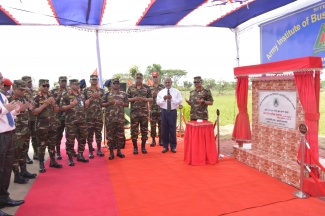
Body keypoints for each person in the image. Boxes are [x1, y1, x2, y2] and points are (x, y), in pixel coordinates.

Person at [0, 72, 25, 216]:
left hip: (8, 134)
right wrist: (5, 109)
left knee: (6, 169)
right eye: (0, 79)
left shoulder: (2, 96)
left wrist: (15, 111)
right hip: (1, 136)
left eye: (2, 78)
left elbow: (4, 115)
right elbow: (2, 111)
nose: (2, 81)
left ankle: (3, 198)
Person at [7, 80, 37, 183]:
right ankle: (17, 175)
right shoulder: (9, 100)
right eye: (21, 90)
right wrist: (18, 110)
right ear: (14, 89)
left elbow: (28, 113)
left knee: (24, 151)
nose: (23, 92)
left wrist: (30, 109)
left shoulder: (24, 98)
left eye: (24, 90)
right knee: (16, 153)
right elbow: (7, 116)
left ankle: (23, 171)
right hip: (17, 132)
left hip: (25, 130)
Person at [33, 79, 62, 173]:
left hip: (52, 125)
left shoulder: (51, 97)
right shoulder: (36, 98)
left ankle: (53, 161)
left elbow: (57, 110)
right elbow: (34, 112)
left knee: (52, 144)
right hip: (42, 126)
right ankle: (41, 163)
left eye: (47, 86)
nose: (46, 88)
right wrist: (45, 104)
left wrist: (53, 104)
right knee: (42, 145)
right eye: (44, 85)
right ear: (39, 86)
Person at [60, 79, 90, 166]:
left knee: (83, 138)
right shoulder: (66, 94)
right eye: (76, 84)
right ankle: (70, 157)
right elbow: (61, 108)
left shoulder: (81, 95)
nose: (78, 86)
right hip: (71, 121)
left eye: (78, 84)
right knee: (70, 140)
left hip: (82, 120)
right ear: (71, 85)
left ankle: (80, 154)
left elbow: (83, 107)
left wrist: (86, 105)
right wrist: (70, 105)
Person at [102, 78, 128, 160]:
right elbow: (102, 104)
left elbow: (127, 104)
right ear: (111, 85)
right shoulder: (106, 94)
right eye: (114, 83)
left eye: (117, 83)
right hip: (110, 119)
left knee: (120, 136)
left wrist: (122, 103)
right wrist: (109, 103)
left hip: (119, 119)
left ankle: (119, 151)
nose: (116, 84)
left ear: (119, 85)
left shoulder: (123, 94)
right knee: (110, 136)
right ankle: (111, 153)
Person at [127, 73, 153, 154]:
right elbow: (127, 99)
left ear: (142, 79)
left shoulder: (146, 88)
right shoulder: (131, 88)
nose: (138, 80)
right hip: (134, 114)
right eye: (137, 78)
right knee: (134, 131)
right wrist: (134, 99)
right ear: (135, 79)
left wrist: (144, 99)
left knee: (144, 131)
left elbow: (151, 98)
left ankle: (143, 147)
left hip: (144, 113)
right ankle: (135, 147)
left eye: (140, 78)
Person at [156, 77, 182, 153]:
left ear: (171, 82)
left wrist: (172, 99)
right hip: (164, 112)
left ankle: (173, 146)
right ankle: (165, 146)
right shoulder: (161, 92)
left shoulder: (176, 92)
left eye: (169, 82)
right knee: (164, 130)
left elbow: (179, 101)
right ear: (164, 83)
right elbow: (158, 102)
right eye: (166, 82)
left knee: (172, 129)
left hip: (172, 112)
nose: (167, 84)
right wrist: (163, 99)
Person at [83, 75, 105, 158]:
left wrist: (99, 98)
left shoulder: (101, 91)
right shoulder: (85, 91)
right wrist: (92, 98)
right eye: (93, 80)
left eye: (96, 80)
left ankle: (99, 150)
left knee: (99, 133)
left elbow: (103, 103)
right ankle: (90, 151)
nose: (94, 81)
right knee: (89, 134)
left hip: (99, 115)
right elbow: (83, 103)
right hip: (89, 116)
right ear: (90, 81)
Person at [50, 76, 69, 160]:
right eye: (62, 81)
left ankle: (71, 152)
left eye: (65, 81)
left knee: (70, 135)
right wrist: (57, 98)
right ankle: (58, 152)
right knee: (58, 135)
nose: (64, 82)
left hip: (69, 117)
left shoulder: (70, 91)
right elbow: (51, 103)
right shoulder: (54, 91)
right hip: (58, 117)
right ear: (59, 82)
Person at [22, 76, 37, 163]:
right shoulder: (21, 94)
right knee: (26, 138)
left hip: (33, 118)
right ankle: (25, 155)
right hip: (25, 119)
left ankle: (36, 153)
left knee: (35, 136)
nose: (29, 83)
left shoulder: (33, 92)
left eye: (30, 82)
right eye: (28, 82)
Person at [149, 72, 164, 147]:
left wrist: (159, 94)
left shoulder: (162, 87)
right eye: (154, 77)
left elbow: (165, 97)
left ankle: (161, 140)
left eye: (156, 77)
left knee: (161, 126)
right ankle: (153, 140)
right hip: (152, 110)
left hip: (161, 109)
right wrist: (152, 95)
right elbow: (147, 98)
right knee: (153, 126)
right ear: (152, 78)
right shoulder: (149, 87)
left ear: (158, 77)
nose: (155, 78)